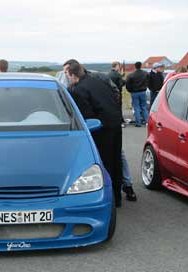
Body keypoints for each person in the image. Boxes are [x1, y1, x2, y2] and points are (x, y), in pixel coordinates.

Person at [64, 60, 124, 207]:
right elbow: (115, 97)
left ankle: (108, 200)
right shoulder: (97, 80)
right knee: (116, 161)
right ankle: (117, 197)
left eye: (66, 73)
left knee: (103, 164)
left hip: (101, 130)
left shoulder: (78, 90)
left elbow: (86, 117)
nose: (66, 77)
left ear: (72, 74)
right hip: (116, 124)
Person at [126, 61, 149, 127]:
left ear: (135, 66)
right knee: (144, 107)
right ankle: (147, 122)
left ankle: (138, 123)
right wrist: (145, 86)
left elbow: (127, 84)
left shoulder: (131, 75)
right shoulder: (145, 73)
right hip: (143, 92)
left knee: (136, 107)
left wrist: (130, 90)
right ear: (140, 66)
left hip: (134, 93)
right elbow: (148, 80)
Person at [108, 61, 126, 127]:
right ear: (116, 66)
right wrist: (124, 81)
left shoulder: (108, 74)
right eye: (119, 65)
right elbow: (120, 84)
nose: (120, 67)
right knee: (118, 108)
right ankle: (120, 121)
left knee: (113, 107)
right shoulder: (117, 75)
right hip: (117, 93)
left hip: (110, 93)